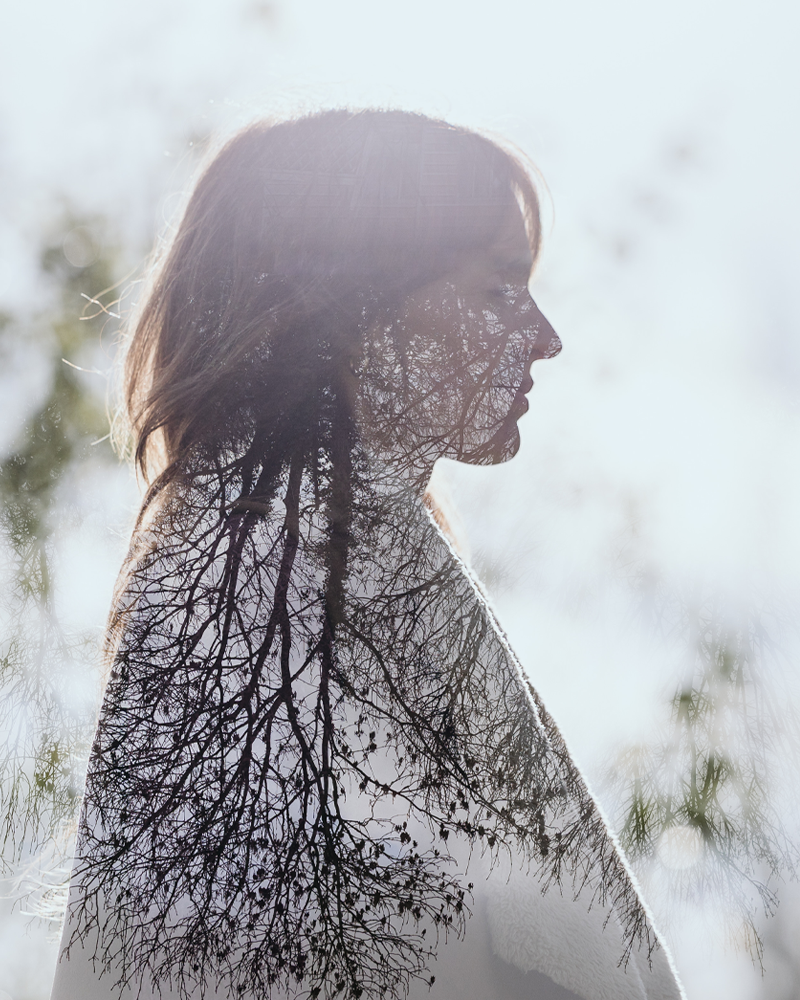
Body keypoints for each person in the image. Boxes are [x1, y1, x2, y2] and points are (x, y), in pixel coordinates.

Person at [51, 109, 684, 1000]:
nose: (544, 336)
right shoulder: (263, 564)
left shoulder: (333, 539)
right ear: (354, 299)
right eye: (499, 289)